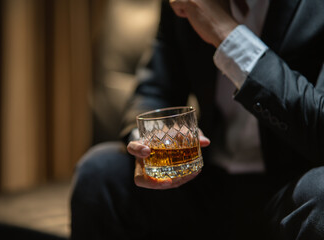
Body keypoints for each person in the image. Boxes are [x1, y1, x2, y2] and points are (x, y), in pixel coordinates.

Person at [70, 0, 324, 239]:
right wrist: (150, 147)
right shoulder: (183, 4)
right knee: (99, 173)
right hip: (207, 180)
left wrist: (225, 33)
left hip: (291, 187)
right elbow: (155, 90)